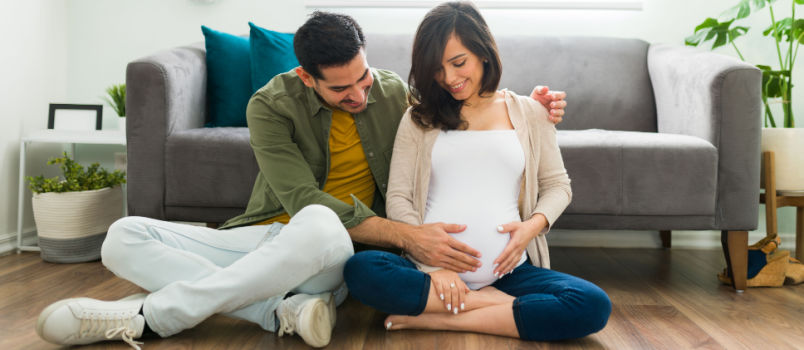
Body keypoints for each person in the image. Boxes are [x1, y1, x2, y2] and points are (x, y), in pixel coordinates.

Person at [34, 10, 568, 349]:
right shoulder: (268, 106)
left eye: (362, 76)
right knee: (122, 235)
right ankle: (275, 310)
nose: (359, 94)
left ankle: (149, 318)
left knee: (319, 223)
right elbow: (297, 197)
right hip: (270, 235)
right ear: (305, 77)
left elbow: (465, 107)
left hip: (333, 251)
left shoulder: (390, 95)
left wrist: (534, 105)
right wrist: (408, 236)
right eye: (341, 89)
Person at [343, 2, 611, 341]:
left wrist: (531, 228)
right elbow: (399, 197)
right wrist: (433, 266)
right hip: (428, 273)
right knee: (361, 271)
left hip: (509, 272)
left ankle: (446, 317)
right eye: (437, 70)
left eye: (458, 63)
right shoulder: (418, 118)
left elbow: (558, 186)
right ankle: (495, 309)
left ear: (483, 52)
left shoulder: (531, 113)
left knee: (592, 304)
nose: (449, 79)